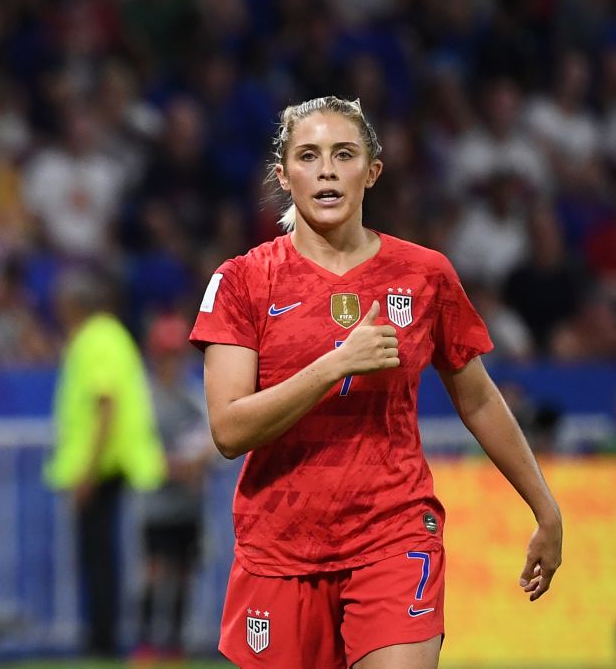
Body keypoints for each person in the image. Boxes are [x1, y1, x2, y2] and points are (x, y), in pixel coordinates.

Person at [190, 97, 562, 669]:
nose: (328, 170)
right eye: (308, 156)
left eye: (344, 154)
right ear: (284, 174)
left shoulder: (425, 274)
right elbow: (229, 429)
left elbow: (480, 398)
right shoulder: (243, 281)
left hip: (393, 531)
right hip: (279, 547)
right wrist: (336, 363)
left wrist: (545, 508)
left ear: (372, 170)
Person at [43, 269, 166, 657]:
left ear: (74, 304)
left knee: (99, 558)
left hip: (101, 467)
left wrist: (88, 471)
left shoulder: (96, 339)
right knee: (102, 556)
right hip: (110, 465)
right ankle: (103, 638)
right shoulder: (111, 336)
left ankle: (102, 642)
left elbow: (105, 406)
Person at [131, 313, 214, 664]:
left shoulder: (191, 396)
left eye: (176, 355)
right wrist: (165, 466)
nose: (171, 362)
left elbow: (216, 438)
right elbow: (134, 443)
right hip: (156, 502)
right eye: (166, 355)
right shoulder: (144, 398)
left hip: (187, 503)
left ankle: (175, 643)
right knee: (153, 570)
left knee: (182, 572)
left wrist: (198, 462)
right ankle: (146, 642)